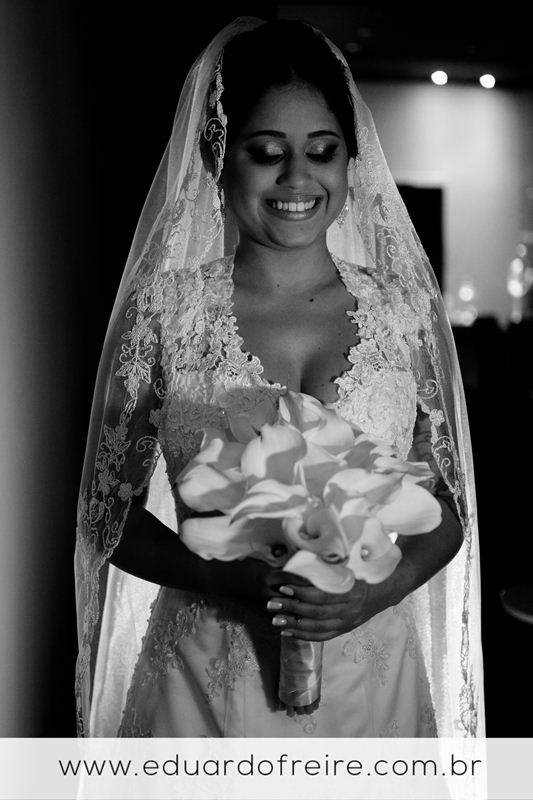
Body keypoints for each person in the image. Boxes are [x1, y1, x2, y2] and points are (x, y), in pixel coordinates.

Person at [75, 17, 484, 738]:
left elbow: (448, 509)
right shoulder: (165, 312)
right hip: (205, 679)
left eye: (322, 152)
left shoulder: (403, 312)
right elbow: (105, 517)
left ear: (350, 161)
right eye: (266, 153)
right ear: (217, 157)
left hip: (373, 678)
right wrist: (221, 574)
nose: (297, 179)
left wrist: (372, 591)